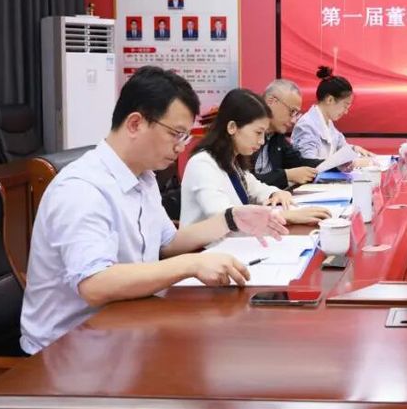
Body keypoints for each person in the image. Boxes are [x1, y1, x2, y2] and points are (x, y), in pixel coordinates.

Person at [20, 66, 289, 355]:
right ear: (135, 124)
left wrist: (231, 218)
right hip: (67, 351)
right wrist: (191, 265)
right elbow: (95, 284)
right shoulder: (82, 188)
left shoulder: (143, 177)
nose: (181, 147)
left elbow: (168, 242)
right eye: (176, 134)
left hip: (125, 329)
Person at [180, 88, 331, 227]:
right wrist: (285, 215)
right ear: (232, 127)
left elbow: (256, 188)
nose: (262, 141)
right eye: (258, 133)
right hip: (208, 246)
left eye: (264, 134)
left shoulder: (233, 161)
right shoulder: (203, 164)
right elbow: (225, 216)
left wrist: (275, 193)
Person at [293, 66, 376, 166]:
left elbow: (342, 146)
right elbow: (309, 164)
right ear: (330, 100)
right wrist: (352, 164)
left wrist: (354, 149)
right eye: (345, 106)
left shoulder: (328, 123)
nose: (346, 112)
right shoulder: (306, 125)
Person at [252, 79, 323, 189]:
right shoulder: (245, 131)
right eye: (292, 111)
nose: (294, 120)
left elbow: (298, 162)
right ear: (271, 101)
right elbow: (245, 182)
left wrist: (334, 164)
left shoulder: (276, 135)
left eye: (296, 114)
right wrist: (286, 175)